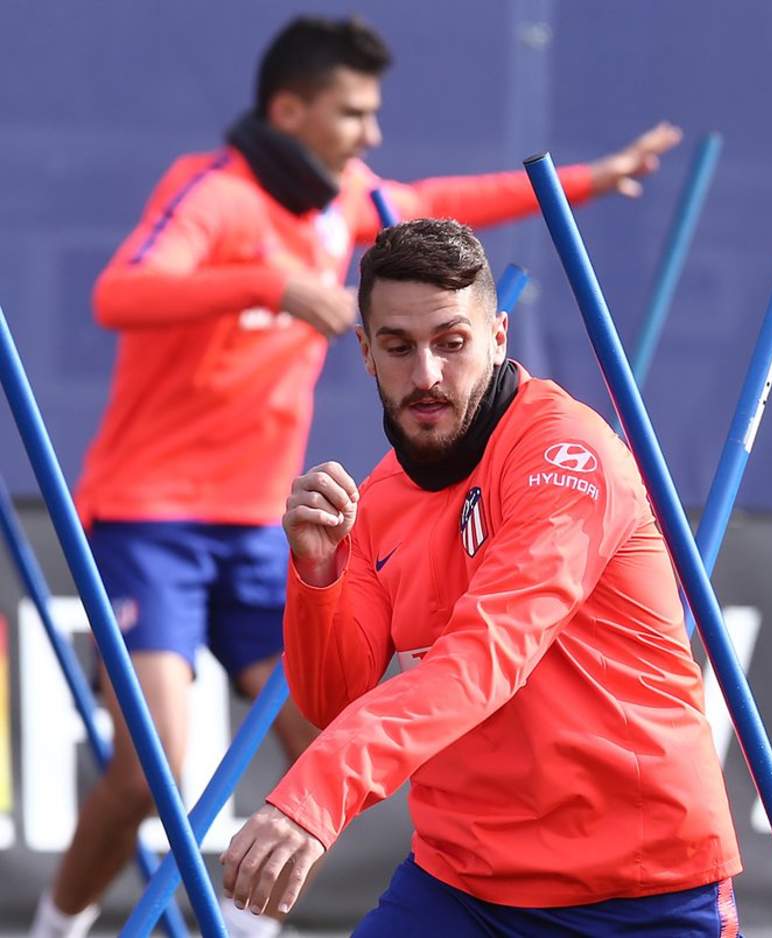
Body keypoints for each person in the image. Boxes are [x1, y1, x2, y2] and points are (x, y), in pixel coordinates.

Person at [30, 15, 681, 938]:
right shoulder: (214, 195)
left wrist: (592, 179)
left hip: (260, 524)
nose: (372, 133)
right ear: (289, 112)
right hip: (153, 518)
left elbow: (447, 202)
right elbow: (118, 293)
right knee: (152, 772)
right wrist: (268, 284)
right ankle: (56, 926)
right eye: (352, 113)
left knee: (324, 731)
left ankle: (249, 922)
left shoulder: (347, 200)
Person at [219, 218, 743, 936]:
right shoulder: (375, 499)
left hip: (638, 890)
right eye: (398, 347)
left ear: (498, 337)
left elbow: (484, 657)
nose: (426, 375)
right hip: (463, 883)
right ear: (366, 353)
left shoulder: (566, 456)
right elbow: (330, 697)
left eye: (451, 342)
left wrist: (315, 796)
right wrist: (318, 574)